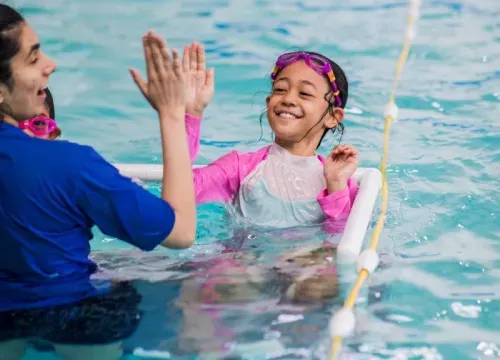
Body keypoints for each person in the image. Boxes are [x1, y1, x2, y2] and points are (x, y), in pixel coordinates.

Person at [0, 4, 196, 360]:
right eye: (32, 59)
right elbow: (181, 232)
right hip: (76, 314)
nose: (50, 64)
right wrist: (172, 113)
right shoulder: (71, 165)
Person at [152, 43, 360, 230]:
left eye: (304, 93)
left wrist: (335, 184)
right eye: (280, 89)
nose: (288, 99)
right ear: (269, 102)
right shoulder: (240, 169)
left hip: (306, 269)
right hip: (238, 270)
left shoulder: (340, 181)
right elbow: (179, 194)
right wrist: (190, 116)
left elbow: (338, 238)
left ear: (333, 117)